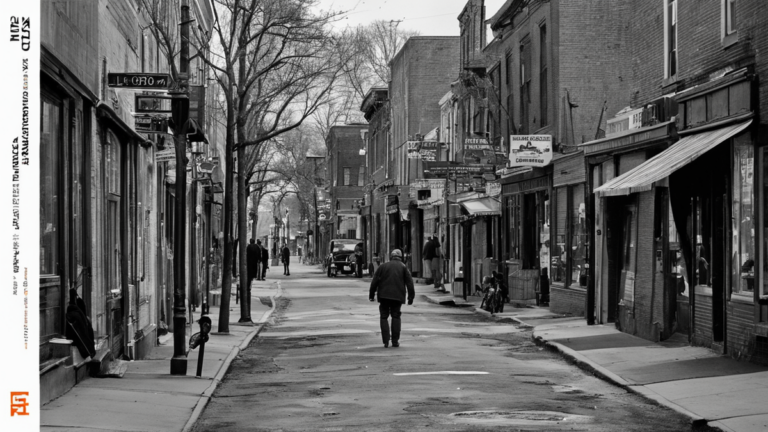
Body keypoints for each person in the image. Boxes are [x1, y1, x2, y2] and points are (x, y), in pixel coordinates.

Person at [369, 249, 415, 348]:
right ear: (401, 257)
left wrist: (371, 295)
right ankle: (395, 341)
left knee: (384, 316)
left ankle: (385, 341)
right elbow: (410, 283)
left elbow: (374, 281)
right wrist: (411, 297)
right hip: (397, 296)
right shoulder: (403, 267)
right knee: (396, 316)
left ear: (391, 256)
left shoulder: (383, 266)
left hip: (384, 296)